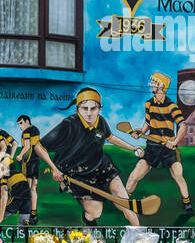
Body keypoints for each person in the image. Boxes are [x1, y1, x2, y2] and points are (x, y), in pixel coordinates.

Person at [35, 87, 143, 228]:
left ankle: (140, 238)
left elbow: (110, 138)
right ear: (78, 108)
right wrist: (54, 169)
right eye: (85, 108)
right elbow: (38, 146)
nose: (89, 113)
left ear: (99, 108)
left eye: (94, 108)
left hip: (102, 167)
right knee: (95, 212)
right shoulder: (69, 124)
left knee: (124, 203)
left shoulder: (101, 121)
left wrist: (132, 147)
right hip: (76, 173)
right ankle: (90, 224)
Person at [125, 72, 194, 214]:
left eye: (154, 82)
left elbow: (183, 126)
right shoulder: (149, 103)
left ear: (161, 85)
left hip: (168, 148)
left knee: (178, 176)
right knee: (134, 175)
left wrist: (174, 142)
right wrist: (140, 132)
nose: (151, 84)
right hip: (152, 147)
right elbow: (147, 123)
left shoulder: (171, 106)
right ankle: (124, 201)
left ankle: (187, 204)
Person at [16, 114, 41, 224]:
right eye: (18, 124)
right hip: (36, 161)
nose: (20, 126)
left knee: (27, 188)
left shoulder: (26, 132)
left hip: (28, 162)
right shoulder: (36, 130)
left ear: (27, 121)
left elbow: (27, 146)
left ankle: (25, 215)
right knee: (33, 188)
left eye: (21, 123)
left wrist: (20, 155)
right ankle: (34, 214)